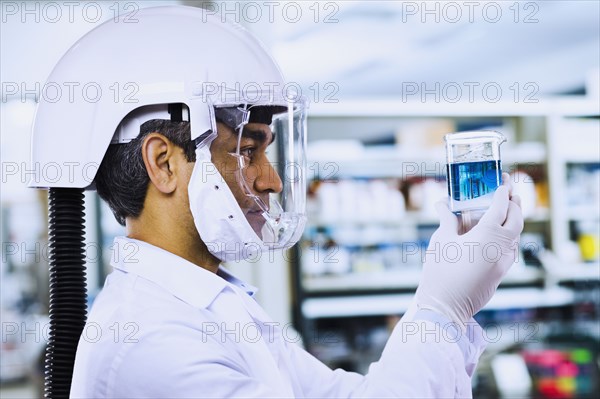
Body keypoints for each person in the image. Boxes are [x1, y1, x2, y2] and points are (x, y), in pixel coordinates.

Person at [33, 6, 523, 398]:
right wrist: (442, 308)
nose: (270, 182)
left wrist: (442, 308)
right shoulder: (152, 344)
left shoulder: (213, 306)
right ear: (163, 163)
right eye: (247, 151)